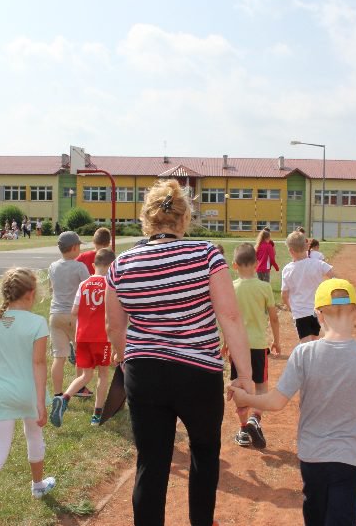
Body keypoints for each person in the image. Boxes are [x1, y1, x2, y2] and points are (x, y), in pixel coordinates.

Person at [106, 179, 254, 526]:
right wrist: (245, 376)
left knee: (151, 462)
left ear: (147, 219)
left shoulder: (121, 265)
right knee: (204, 453)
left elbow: (114, 327)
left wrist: (127, 362)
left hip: (144, 373)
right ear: (185, 217)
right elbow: (230, 317)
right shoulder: (206, 254)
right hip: (198, 373)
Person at [230, 278, 356, 526]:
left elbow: (276, 402)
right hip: (350, 457)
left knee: (315, 516)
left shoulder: (304, 353)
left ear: (318, 315)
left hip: (312, 456)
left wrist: (245, 398)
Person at [0, 268, 54, 526]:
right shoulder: (37, 323)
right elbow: (39, 363)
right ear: (31, 293)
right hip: (30, 393)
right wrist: (40, 402)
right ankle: (38, 485)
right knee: (34, 437)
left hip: (2, 393)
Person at [222, 243, 280, 449]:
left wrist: (225, 342)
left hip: (237, 345)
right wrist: (277, 340)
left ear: (234, 265)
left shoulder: (232, 288)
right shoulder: (264, 288)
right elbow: (274, 318)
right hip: (258, 344)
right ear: (257, 263)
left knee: (239, 385)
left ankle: (243, 429)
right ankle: (256, 417)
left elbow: (228, 318)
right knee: (261, 385)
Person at [53, 248, 117, 427]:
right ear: (112, 266)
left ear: (93, 265)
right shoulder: (110, 285)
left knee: (85, 375)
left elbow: (74, 311)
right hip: (101, 338)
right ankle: (97, 414)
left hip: (82, 336)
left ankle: (64, 398)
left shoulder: (84, 284)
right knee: (103, 375)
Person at [47, 231, 90, 412]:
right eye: (79, 246)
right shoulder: (80, 267)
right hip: (74, 315)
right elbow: (88, 289)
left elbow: (51, 289)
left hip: (55, 314)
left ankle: (57, 394)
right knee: (80, 353)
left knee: (59, 357)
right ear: (73, 248)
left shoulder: (52, 266)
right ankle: (79, 386)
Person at [281, 231, 337, 343]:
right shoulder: (318, 264)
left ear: (291, 251)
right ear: (307, 246)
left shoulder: (287, 269)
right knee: (314, 341)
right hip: (317, 310)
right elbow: (336, 279)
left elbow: (284, 294)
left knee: (306, 344)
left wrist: (290, 308)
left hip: (300, 313)